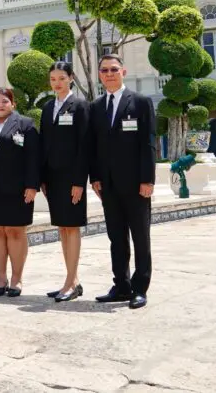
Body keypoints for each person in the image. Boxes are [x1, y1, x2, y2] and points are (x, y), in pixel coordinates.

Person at [87, 54, 156, 310]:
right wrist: (94, 177)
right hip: (108, 185)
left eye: (113, 69)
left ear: (123, 71)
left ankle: (140, 288)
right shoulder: (96, 107)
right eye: (104, 70)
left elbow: (148, 143)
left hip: (136, 184)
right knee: (116, 238)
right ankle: (121, 286)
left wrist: (147, 179)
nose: (109, 74)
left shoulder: (140, 102)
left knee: (140, 237)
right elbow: (93, 146)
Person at [0, 87, 38, 298]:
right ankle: (0, 279)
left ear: (13, 104)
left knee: (15, 231)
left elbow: (33, 158)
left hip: (17, 190)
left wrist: (32, 185)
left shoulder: (25, 125)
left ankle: (16, 279)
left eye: (4, 101)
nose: (0, 105)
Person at [38, 61, 90, 302]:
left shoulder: (79, 106)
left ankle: (71, 282)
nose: (56, 83)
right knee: (62, 227)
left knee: (72, 227)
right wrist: (43, 178)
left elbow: (84, 146)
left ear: (70, 78)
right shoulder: (48, 108)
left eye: (61, 78)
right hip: (53, 179)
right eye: (53, 79)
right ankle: (72, 280)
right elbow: (44, 145)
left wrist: (79, 181)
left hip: (72, 179)